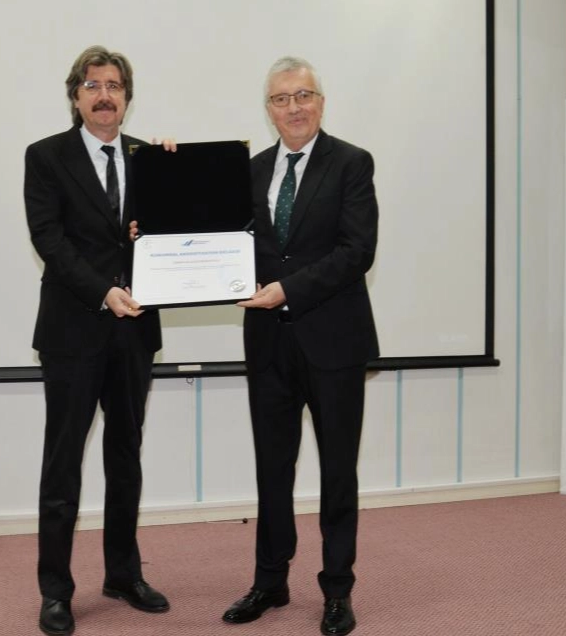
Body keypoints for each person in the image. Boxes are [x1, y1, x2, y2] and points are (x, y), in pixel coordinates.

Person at [222, 57, 379, 636]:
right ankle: (270, 581)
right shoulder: (250, 171)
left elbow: (357, 251)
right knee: (272, 470)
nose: (294, 107)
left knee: (338, 473)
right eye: (282, 98)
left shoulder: (352, 163)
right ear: (268, 109)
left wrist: (288, 289)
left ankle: (337, 590)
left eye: (304, 95)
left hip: (334, 341)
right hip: (268, 344)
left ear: (321, 102)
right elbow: (223, 242)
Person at [23, 45, 174, 636]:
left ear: (127, 97)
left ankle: (123, 575)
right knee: (63, 465)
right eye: (93, 86)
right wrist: (103, 291)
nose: (104, 95)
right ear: (75, 96)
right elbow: (49, 240)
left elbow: (167, 235)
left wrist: (178, 176)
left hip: (135, 332)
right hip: (73, 330)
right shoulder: (46, 156)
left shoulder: (148, 159)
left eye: (114, 85)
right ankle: (56, 591)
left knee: (125, 457)